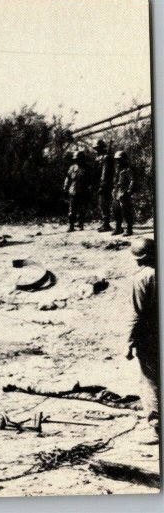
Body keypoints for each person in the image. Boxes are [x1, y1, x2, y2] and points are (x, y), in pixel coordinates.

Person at [126, 238, 159, 444]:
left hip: (150, 336)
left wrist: (129, 341)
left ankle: (157, 429)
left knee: (150, 381)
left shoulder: (143, 277)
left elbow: (137, 314)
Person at [63, 151, 89, 232]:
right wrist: (65, 186)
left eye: (79, 159)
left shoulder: (87, 168)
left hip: (83, 190)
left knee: (82, 209)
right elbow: (68, 177)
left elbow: (91, 179)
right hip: (73, 190)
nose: (77, 161)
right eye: (76, 159)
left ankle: (81, 224)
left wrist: (90, 188)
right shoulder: (72, 168)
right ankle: (71, 225)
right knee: (72, 210)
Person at [112, 150, 134, 236]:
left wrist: (129, 191)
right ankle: (118, 228)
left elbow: (132, 180)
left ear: (124, 159)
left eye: (119, 159)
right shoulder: (118, 170)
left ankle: (129, 229)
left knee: (126, 211)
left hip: (124, 192)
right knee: (116, 210)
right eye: (117, 160)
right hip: (116, 192)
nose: (118, 161)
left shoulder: (128, 169)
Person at [94, 140, 114, 232]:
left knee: (104, 202)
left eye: (98, 148)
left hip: (105, 183)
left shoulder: (106, 157)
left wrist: (102, 184)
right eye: (96, 148)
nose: (96, 150)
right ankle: (104, 223)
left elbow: (104, 172)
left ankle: (106, 224)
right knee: (101, 203)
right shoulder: (98, 157)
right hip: (100, 183)